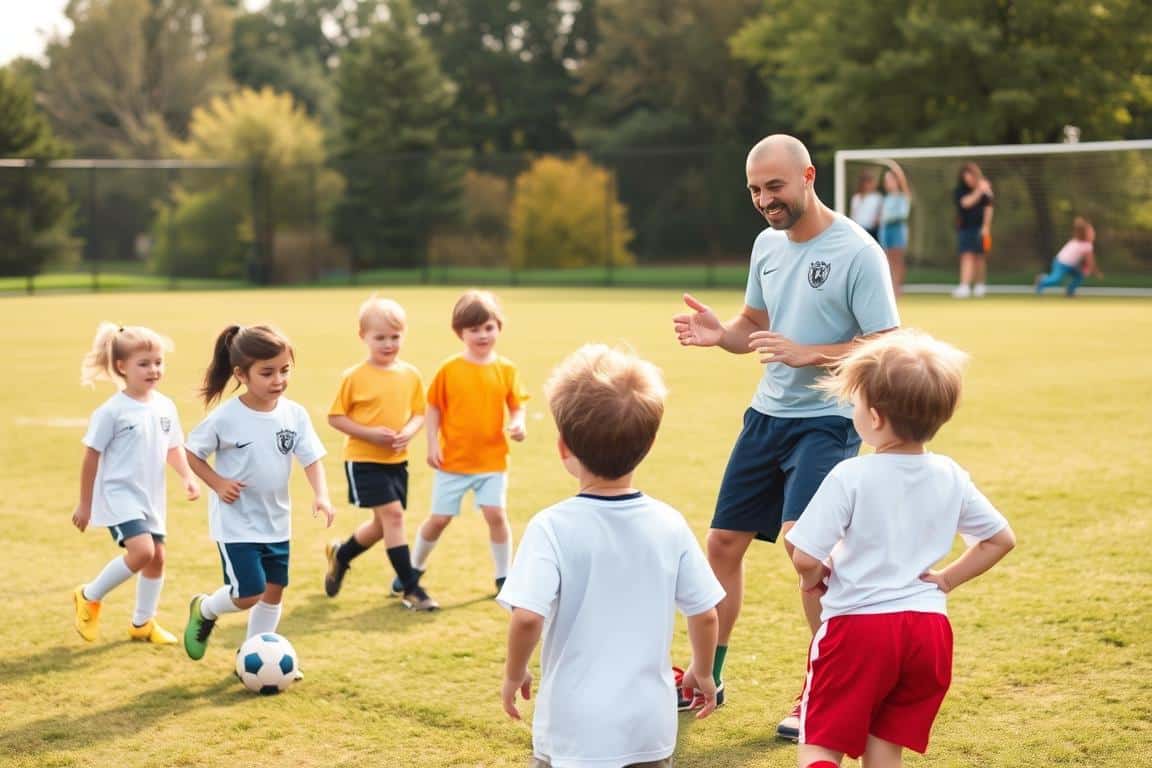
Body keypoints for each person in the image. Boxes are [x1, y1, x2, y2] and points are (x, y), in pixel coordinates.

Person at [672, 134, 900, 739]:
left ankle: (822, 692)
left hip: (826, 423)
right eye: (754, 189)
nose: (764, 200)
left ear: (807, 176)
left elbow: (885, 345)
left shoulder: (858, 252)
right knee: (721, 544)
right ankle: (707, 680)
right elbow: (754, 325)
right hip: (765, 417)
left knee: (808, 555)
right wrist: (719, 334)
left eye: (774, 186)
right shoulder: (766, 245)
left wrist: (811, 354)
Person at [785, 330, 1016, 768]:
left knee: (820, 742)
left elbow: (805, 556)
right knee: (885, 744)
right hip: (928, 635)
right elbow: (1000, 539)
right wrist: (947, 579)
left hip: (859, 632)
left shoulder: (851, 475)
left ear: (873, 417)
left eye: (854, 403)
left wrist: (813, 579)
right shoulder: (951, 474)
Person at [498, 344, 725, 768]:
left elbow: (527, 617)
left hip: (573, 729)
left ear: (563, 446)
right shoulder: (669, 523)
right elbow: (706, 612)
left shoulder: (551, 527)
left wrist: (514, 673)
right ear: (650, 443)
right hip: (649, 727)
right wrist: (702, 669)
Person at [182, 324, 334, 663]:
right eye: (267, 372)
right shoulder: (226, 417)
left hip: (276, 520)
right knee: (249, 592)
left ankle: (249, 656)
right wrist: (218, 483)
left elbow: (311, 458)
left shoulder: (294, 414)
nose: (278, 379)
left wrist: (321, 495)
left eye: (284, 370)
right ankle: (205, 609)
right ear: (242, 374)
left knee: (274, 593)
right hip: (236, 522)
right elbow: (192, 453)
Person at [72, 323, 200, 644]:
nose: (154, 369)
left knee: (158, 557)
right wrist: (85, 504)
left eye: (158, 362)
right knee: (142, 552)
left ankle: (142, 623)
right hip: (118, 495)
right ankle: (89, 595)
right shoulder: (111, 412)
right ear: (122, 367)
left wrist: (187, 476)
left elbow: (172, 447)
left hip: (151, 496)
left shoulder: (165, 405)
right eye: (144, 363)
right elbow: (91, 456)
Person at [407, 290, 527, 595]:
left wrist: (518, 422)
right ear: (460, 332)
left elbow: (517, 404)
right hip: (453, 462)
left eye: (489, 327)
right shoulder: (450, 369)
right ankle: (412, 570)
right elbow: (432, 407)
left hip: (491, 461)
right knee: (439, 520)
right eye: (474, 329)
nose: (482, 335)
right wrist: (432, 443)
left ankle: (504, 576)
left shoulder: (506, 369)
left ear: (499, 327)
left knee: (495, 515)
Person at [323, 296, 439, 611]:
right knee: (394, 517)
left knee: (381, 525)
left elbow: (419, 412)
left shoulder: (410, 374)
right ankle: (412, 589)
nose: (389, 344)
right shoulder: (354, 376)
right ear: (363, 337)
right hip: (363, 461)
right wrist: (370, 434)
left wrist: (409, 433)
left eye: (395, 337)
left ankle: (341, 555)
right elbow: (335, 417)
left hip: (396, 462)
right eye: (380, 338)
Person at [952, 162, 994, 299]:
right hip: (965, 228)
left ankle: (980, 286)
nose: (968, 179)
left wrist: (986, 227)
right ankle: (964, 286)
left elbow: (989, 207)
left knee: (979, 257)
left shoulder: (985, 191)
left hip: (980, 229)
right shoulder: (960, 191)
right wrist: (980, 191)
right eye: (966, 177)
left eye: (970, 176)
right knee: (967, 256)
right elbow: (965, 203)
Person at [1035, 216, 1103, 297]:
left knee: (1080, 275)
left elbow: (1083, 260)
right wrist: (1096, 272)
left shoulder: (1078, 241)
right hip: (1061, 263)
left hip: (1071, 265)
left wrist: (1085, 269)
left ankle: (1069, 291)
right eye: (1091, 232)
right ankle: (1042, 280)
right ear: (1084, 234)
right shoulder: (1086, 245)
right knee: (1055, 279)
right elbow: (1090, 262)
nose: (1093, 234)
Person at [878, 164, 911, 295]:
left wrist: (896, 169)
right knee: (887, 260)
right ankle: (890, 286)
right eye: (886, 181)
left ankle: (897, 287)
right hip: (885, 231)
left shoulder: (903, 196)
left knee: (897, 260)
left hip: (897, 231)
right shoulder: (885, 199)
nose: (888, 183)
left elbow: (902, 214)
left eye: (890, 180)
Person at [849, 171, 883, 241]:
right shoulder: (856, 198)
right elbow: (853, 215)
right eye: (865, 181)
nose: (867, 185)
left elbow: (880, 214)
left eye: (869, 181)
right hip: (858, 230)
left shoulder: (877, 197)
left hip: (871, 230)